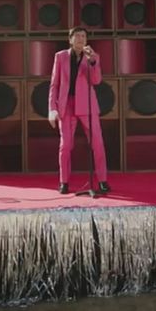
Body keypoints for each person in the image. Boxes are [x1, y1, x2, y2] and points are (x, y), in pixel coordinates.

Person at [48, 27, 110, 194]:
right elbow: (54, 84)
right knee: (66, 145)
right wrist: (52, 108)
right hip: (66, 105)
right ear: (70, 40)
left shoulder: (93, 57)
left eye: (83, 36)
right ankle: (64, 182)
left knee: (97, 143)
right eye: (77, 36)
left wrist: (93, 62)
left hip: (87, 105)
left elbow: (96, 80)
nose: (81, 39)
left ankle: (102, 181)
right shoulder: (60, 57)